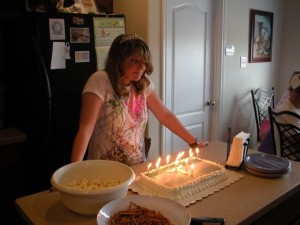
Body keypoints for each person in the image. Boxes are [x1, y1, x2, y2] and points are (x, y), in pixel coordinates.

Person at [71, 32, 207, 166]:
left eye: (144, 62)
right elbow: (85, 129)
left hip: (137, 168)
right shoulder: (100, 80)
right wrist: (74, 170)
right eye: (134, 60)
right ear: (119, 60)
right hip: (105, 171)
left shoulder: (144, 83)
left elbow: (164, 115)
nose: (141, 67)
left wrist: (193, 142)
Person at [259, 71, 300, 154]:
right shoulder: (288, 112)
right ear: (290, 91)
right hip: (288, 157)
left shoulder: (293, 106)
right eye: (299, 91)